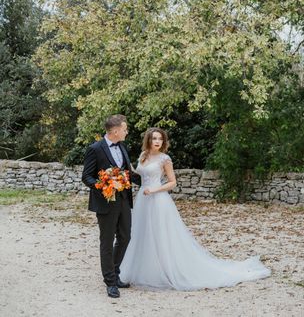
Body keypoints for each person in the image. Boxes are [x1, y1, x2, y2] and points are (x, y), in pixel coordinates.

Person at [119, 127, 270, 290]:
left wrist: (154, 190)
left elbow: (172, 182)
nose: (157, 142)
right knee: (142, 233)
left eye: (160, 139)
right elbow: (139, 175)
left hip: (158, 199)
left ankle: (167, 271)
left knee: (161, 234)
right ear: (148, 140)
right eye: (154, 138)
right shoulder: (143, 156)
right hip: (143, 199)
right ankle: (145, 269)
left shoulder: (165, 159)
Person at [81, 114, 141, 298]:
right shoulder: (95, 149)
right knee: (106, 242)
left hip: (123, 200)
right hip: (105, 202)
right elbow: (87, 176)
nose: (126, 131)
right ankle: (110, 282)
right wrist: (103, 185)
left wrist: (148, 181)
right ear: (115, 131)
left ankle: (114, 272)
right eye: (125, 129)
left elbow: (127, 172)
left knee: (125, 237)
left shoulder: (122, 146)